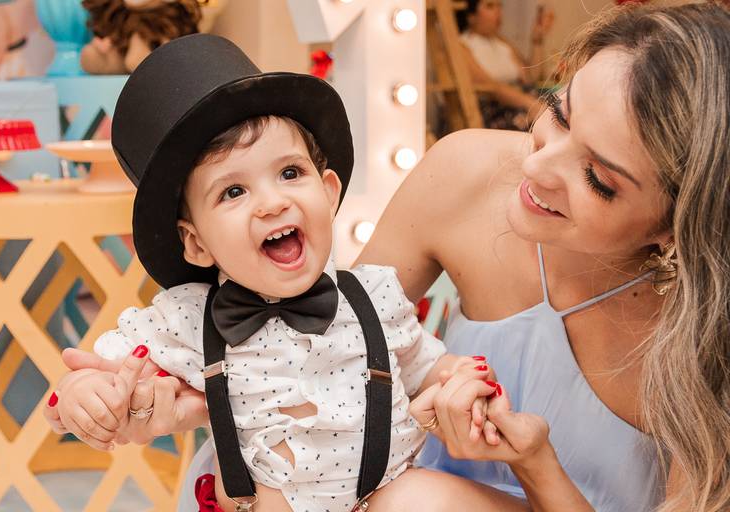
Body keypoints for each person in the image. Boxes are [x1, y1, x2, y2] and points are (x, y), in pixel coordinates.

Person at [48, 3, 730, 511]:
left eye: (599, 178)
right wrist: (184, 403)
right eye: (558, 110)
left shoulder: (704, 343)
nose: (540, 163)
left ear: (676, 225)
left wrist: (534, 462)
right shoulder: (467, 173)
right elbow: (326, 351)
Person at [43, 33, 508, 512]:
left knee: (424, 498)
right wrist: (83, 396)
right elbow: (99, 374)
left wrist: (461, 383)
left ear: (328, 191)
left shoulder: (375, 295)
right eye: (232, 192)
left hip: (382, 499)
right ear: (197, 243)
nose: (272, 202)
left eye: (289, 173)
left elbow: (423, 368)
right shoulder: (183, 319)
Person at [454, 0, 554, 130]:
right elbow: (491, 87)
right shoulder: (462, 45)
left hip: (521, 104)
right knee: (543, 121)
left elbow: (530, 77)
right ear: (471, 15)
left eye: (499, 6)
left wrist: (537, 39)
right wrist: (531, 104)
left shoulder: (502, 42)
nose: (498, 12)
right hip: (492, 112)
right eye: (490, 6)